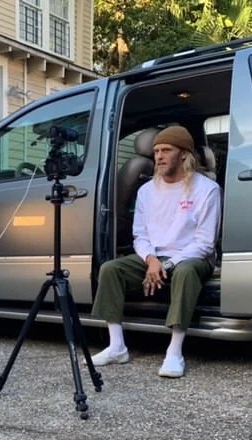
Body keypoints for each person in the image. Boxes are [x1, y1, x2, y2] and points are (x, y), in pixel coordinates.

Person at [90, 125, 221, 378]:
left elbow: (205, 243)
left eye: (166, 150)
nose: (159, 156)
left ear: (184, 154)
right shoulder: (146, 190)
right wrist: (151, 260)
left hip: (192, 258)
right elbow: (140, 235)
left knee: (184, 272)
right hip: (154, 257)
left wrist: (167, 264)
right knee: (111, 269)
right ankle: (116, 346)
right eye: (156, 151)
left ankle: (174, 351)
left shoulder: (207, 189)